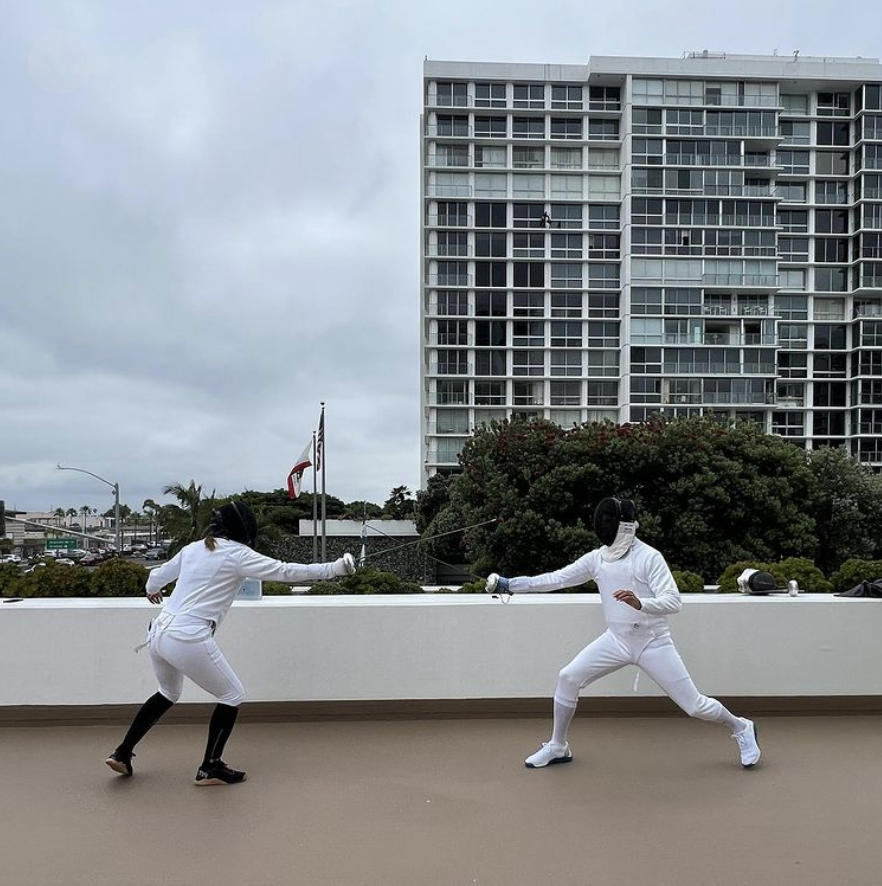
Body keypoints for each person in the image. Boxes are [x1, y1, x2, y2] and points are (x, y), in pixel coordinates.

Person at [486, 497, 761, 770]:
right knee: (568, 677)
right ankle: (558, 746)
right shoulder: (598, 559)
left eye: (609, 521)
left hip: (653, 643)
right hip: (617, 639)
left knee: (695, 706)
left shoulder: (649, 558)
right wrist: (511, 584)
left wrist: (641, 603)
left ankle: (741, 727)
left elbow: (674, 601)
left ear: (624, 526)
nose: (604, 526)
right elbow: (557, 579)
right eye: (603, 521)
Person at [105, 500, 356, 786]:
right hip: (187, 636)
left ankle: (122, 752)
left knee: (167, 692)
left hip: (158, 633)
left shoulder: (193, 549)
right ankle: (210, 767)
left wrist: (152, 590)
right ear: (243, 528)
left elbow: (155, 578)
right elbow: (285, 571)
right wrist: (334, 569)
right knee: (232, 694)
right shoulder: (238, 554)